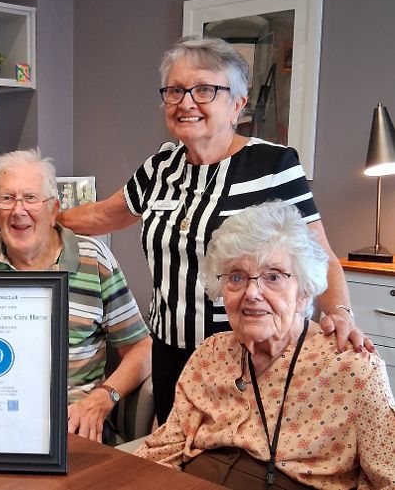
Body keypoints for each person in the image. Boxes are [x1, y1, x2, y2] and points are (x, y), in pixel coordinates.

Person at [58, 36, 370, 424]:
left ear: (237, 104)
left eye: (204, 90)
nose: (186, 102)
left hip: (250, 355)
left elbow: (319, 255)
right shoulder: (160, 168)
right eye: (175, 90)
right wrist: (40, 217)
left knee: (242, 455)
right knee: (180, 452)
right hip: (171, 353)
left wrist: (340, 313)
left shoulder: (273, 166)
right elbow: (104, 215)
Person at [135, 202, 395, 490]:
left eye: (273, 277)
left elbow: (388, 478)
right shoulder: (210, 354)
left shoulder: (351, 367)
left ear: (304, 291)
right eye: (236, 277)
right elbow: (165, 449)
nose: (252, 293)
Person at [0, 149, 152, 443]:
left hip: (74, 429)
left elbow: (141, 348)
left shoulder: (93, 259)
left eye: (30, 198)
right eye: (7, 198)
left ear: (53, 209)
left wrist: (103, 398)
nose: (18, 210)